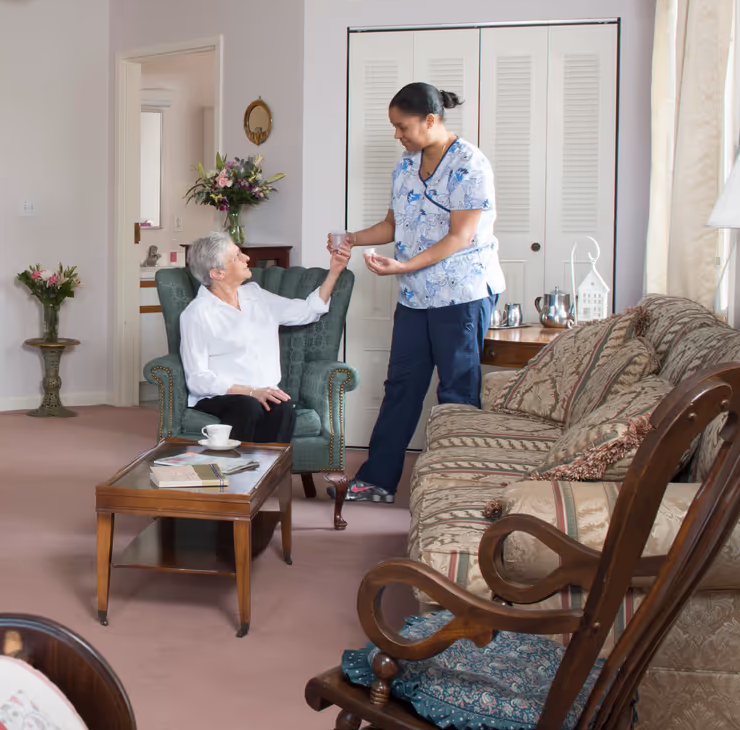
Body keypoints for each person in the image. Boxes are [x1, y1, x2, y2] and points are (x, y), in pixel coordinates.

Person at [331, 82, 504, 504]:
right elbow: (394, 226)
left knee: (457, 391)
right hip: (415, 297)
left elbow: (461, 237)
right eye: (394, 127)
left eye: (402, 126)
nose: (398, 135)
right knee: (402, 386)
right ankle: (378, 479)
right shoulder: (405, 167)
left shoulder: (470, 164)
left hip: (461, 295)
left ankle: (456, 488)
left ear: (431, 120)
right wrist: (351, 237)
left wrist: (404, 265)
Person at [178, 230, 352, 445]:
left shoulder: (256, 295)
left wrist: (334, 271)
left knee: (283, 408)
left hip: (264, 392)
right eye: (236, 257)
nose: (246, 258)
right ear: (217, 273)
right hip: (218, 396)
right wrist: (250, 391)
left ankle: (269, 475)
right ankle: (233, 472)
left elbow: (306, 311)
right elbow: (197, 378)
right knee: (248, 406)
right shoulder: (196, 314)